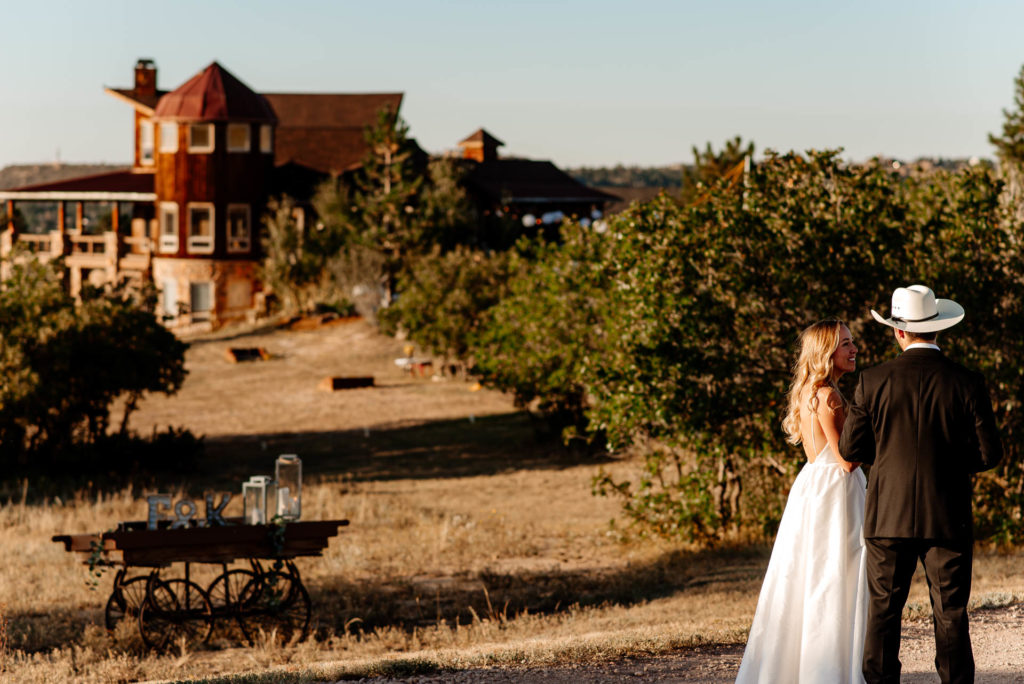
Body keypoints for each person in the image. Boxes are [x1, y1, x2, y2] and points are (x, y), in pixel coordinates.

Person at [840, 285, 1002, 684]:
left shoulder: (871, 381)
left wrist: (892, 462)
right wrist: (946, 466)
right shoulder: (967, 381)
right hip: (947, 515)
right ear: (938, 329)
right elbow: (990, 454)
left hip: (887, 515)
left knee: (883, 613)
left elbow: (851, 447)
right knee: (950, 613)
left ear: (898, 331)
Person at [736, 319, 868, 683]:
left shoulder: (809, 392)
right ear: (827, 353)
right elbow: (846, 459)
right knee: (833, 574)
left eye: (852, 342)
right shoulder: (829, 396)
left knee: (810, 573)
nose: (853, 348)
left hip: (813, 484)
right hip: (836, 489)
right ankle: (829, 667)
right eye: (845, 344)